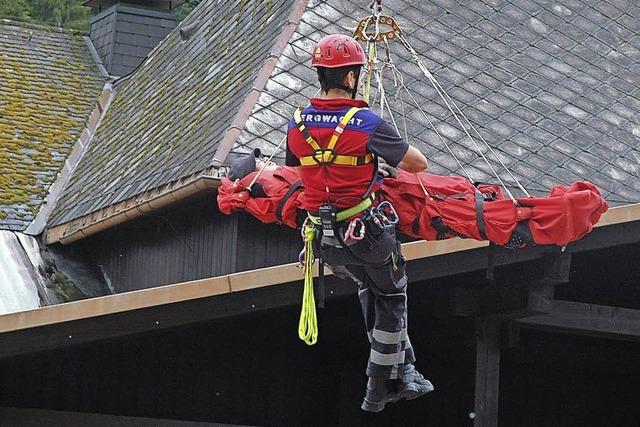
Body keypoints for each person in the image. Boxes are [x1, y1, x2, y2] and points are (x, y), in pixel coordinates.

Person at [285, 34, 434, 412]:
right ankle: (379, 387)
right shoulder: (365, 122)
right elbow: (417, 164)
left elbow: (296, 169)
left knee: (371, 290)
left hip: (323, 240)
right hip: (366, 234)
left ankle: (406, 371)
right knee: (392, 293)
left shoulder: (297, 123)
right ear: (351, 78)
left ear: (319, 74)